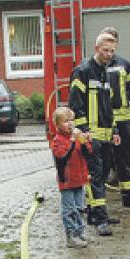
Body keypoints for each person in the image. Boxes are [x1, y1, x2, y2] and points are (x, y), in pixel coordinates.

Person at [69, 31, 121, 236]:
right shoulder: (82, 71)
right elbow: (75, 105)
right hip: (91, 135)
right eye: (105, 50)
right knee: (96, 177)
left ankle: (95, 214)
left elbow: (108, 106)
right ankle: (99, 219)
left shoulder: (105, 72)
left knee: (104, 174)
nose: (109, 55)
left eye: (112, 51)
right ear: (96, 48)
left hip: (106, 134)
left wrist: (115, 129)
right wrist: (84, 132)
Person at [99, 27, 130, 209]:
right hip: (103, 120)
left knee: (125, 158)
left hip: (123, 119)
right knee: (103, 160)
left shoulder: (125, 64)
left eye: (114, 41)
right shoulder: (94, 65)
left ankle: (129, 196)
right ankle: (98, 200)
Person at [50, 106, 93, 248]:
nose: (70, 124)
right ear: (57, 124)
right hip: (67, 181)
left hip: (79, 179)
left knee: (80, 207)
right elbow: (63, 157)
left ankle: (80, 231)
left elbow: (88, 154)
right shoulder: (57, 141)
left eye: (71, 120)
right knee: (69, 209)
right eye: (65, 121)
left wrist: (86, 142)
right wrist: (74, 141)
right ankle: (71, 235)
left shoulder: (76, 138)